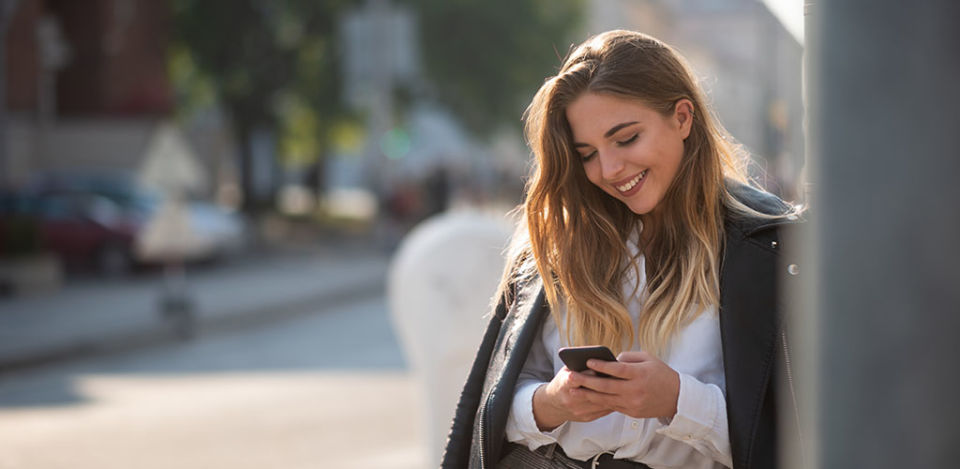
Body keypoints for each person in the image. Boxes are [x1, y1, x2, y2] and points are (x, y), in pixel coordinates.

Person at [441, 30, 804, 469]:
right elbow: (492, 409)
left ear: (683, 118)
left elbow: (795, 434)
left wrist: (676, 400)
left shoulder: (768, 249)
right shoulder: (557, 244)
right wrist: (551, 403)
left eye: (626, 138)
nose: (609, 169)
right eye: (587, 153)